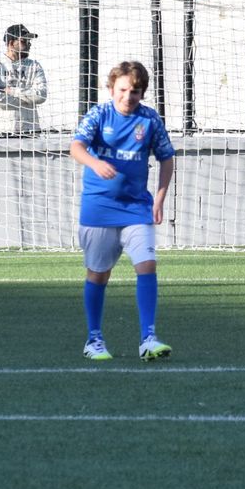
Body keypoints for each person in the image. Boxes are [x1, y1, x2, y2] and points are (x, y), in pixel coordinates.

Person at [70, 61, 175, 362]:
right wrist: (95, 163)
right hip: (99, 208)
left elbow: (167, 158)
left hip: (136, 207)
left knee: (147, 264)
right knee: (98, 274)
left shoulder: (150, 119)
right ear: (111, 88)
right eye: (123, 90)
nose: (128, 96)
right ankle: (94, 339)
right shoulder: (99, 114)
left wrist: (159, 199)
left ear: (143, 93)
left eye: (135, 91)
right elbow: (76, 147)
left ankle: (148, 338)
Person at [0, 23, 48, 135]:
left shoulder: (34, 66)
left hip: (29, 131)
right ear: (11, 43)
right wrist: (27, 100)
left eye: (29, 41)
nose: (29, 45)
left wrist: (12, 91)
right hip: (0, 132)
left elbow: (41, 95)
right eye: (24, 41)